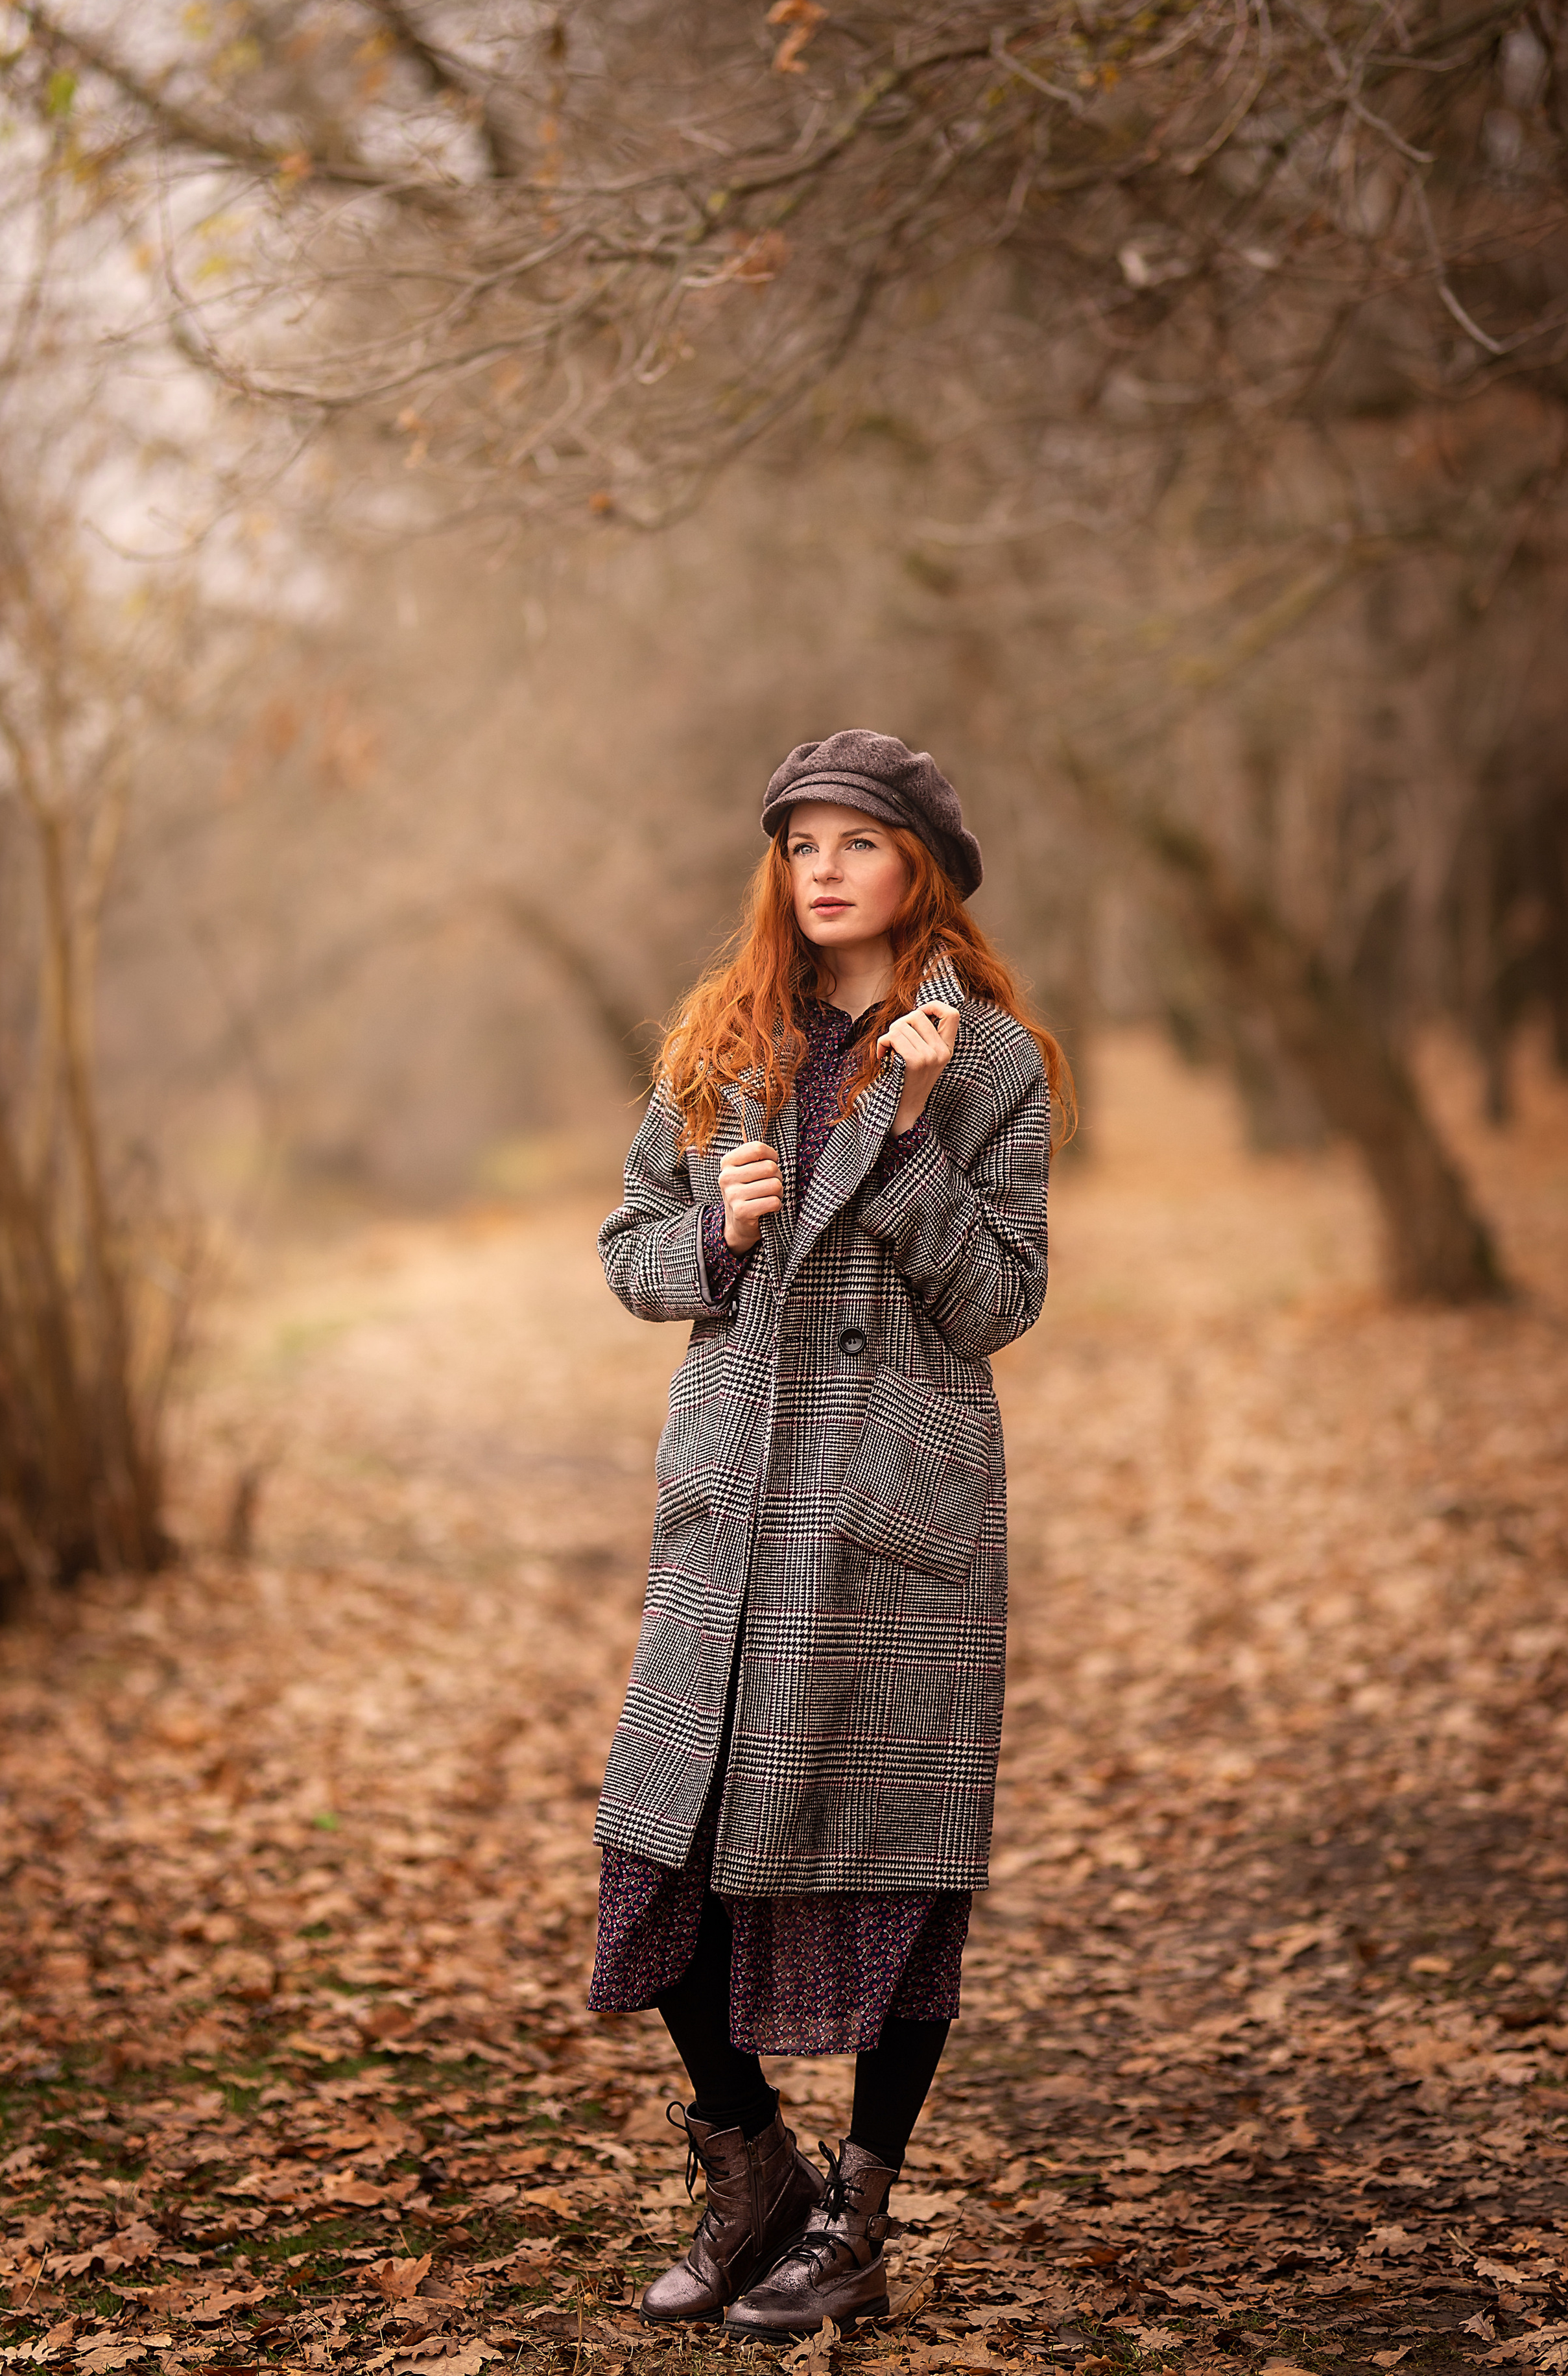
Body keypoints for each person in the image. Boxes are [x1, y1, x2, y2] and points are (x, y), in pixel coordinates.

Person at [588, 730, 1072, 2337]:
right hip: (730, 1511)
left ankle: (852, 2224)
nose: (820, 871)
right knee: (660, 1852)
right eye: (799, 844)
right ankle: (753, 2183)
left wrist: (912, 1139)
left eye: (854, 843)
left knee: (893, 1873)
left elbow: (999, 1301)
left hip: (887, 1514)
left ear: (917, 867)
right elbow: (626, 1239)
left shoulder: (987, 1058)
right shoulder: (724, 1040)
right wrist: (711, 1235)